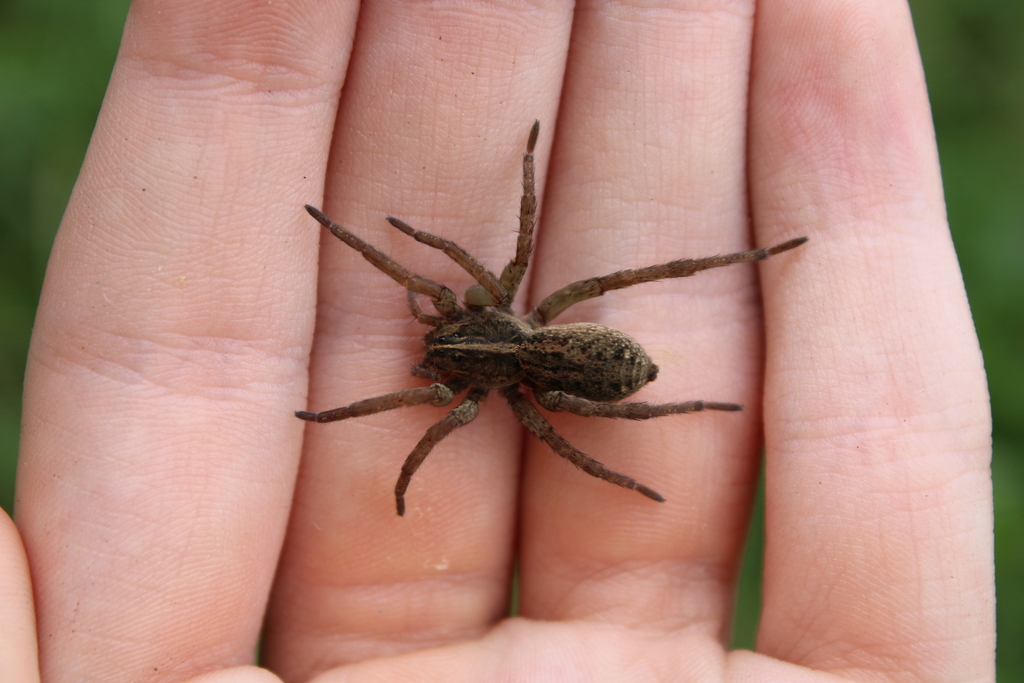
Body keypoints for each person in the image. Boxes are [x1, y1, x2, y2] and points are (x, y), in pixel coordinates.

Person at [4, 0, 995, 681]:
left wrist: (374, 257)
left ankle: (741, 294)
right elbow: (439, 309)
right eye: (445, 343)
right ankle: (706, 363)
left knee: (633, 287)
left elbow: (439, 366)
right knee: (606, 306)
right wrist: (377, 249)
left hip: (555, 354)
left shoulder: (499, 361)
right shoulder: (492, 341)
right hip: (541, 350)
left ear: (476, 319)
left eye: (443, 338)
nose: (434, 354)